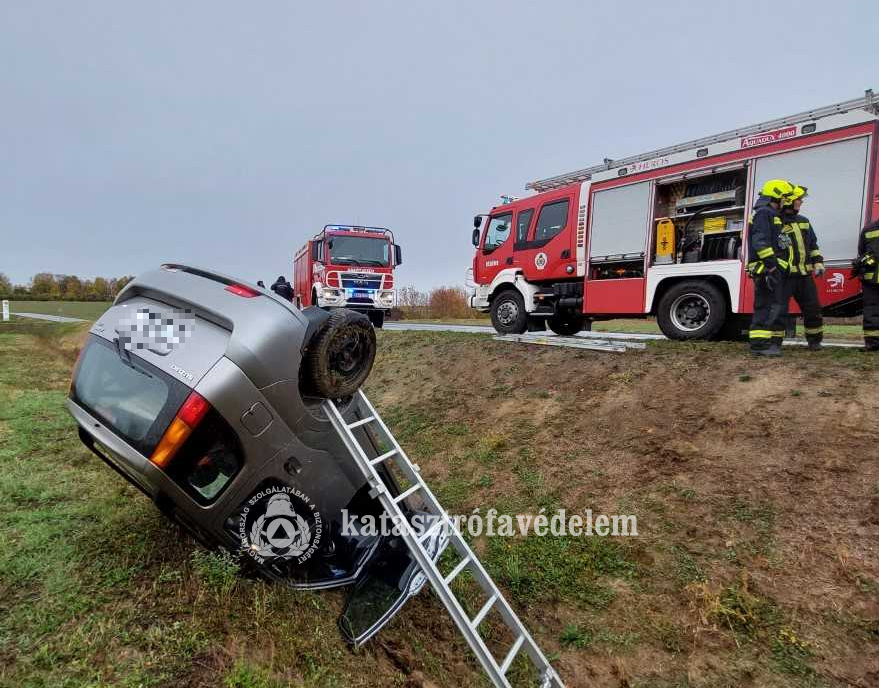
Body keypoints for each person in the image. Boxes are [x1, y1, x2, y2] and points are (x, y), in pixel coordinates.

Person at [747, 179, 795, 356]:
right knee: (765, 307)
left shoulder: (770, 214)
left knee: (770, 306)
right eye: (784, 197)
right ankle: (759, 346)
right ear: (776, 196)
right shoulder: (764, 213)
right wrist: (772, 267)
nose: (785, 201)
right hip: (767, 270)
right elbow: (761, 243)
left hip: (770, 270)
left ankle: (762, 345)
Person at [778, 184, 825, 350]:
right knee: (779, 311)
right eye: (799, 199)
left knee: (813, 310)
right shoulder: (777, 222)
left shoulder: (804, 221)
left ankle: (814, 342)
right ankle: (774, 344)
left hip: (805, 276)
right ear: (790, 201)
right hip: (784, 277)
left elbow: (813, 244)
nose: (801, 202)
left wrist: (818, 261)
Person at [854, 218, 879, 351]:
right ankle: (872, 343)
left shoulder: (869, 230)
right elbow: (862, 252)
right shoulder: (868, 230)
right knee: (872, 312)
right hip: (871, 281)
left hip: (872, 280)